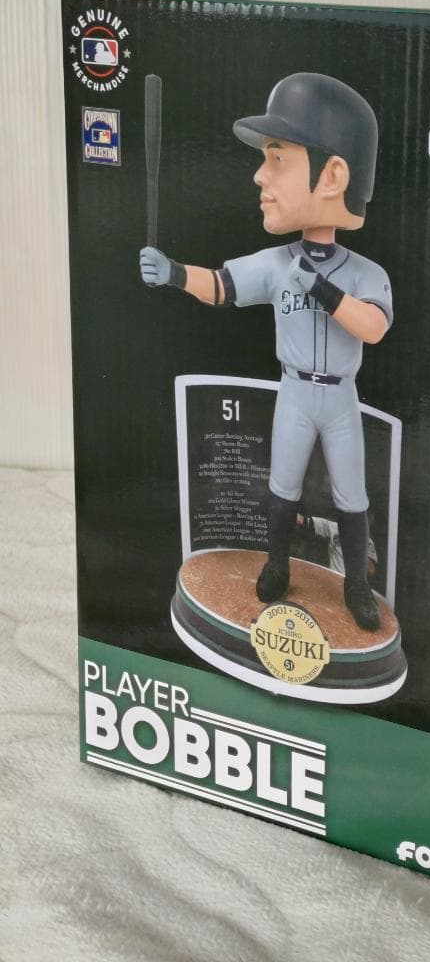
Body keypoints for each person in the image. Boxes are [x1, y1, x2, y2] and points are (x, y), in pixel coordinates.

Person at [139, 73, 391, 631]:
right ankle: (277, 565)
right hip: (295, 391)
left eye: (277, 158)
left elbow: (372, 327)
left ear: (333, 176)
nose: (260, 174)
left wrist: (322, 289)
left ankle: (357, 585)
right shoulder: (277, 263)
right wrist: (175, 273)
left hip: (341, 397)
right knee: (282, 485)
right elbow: (222, 285)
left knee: (352, 496)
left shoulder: (365, 272)